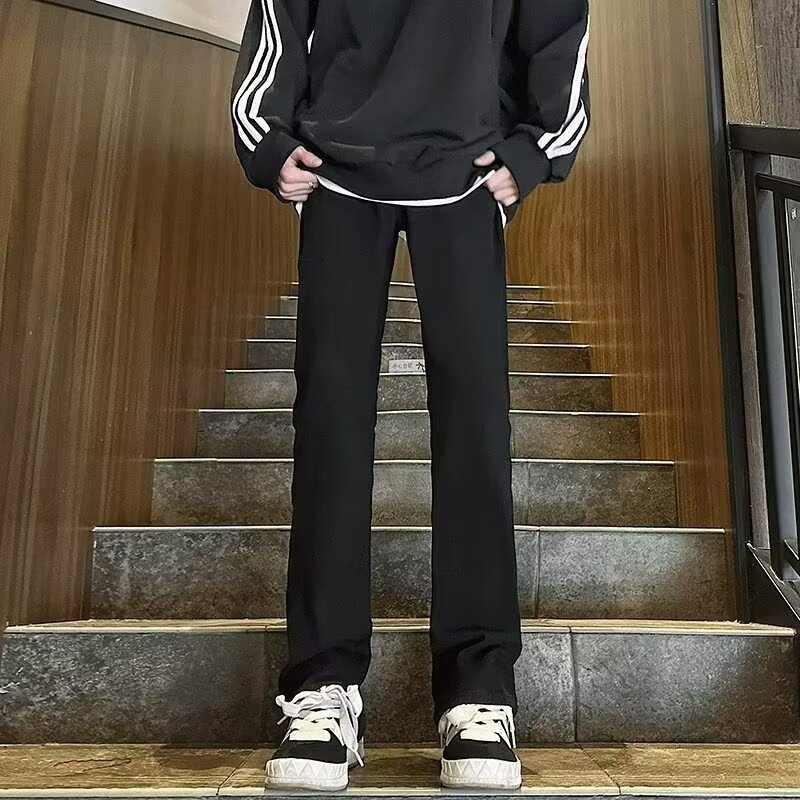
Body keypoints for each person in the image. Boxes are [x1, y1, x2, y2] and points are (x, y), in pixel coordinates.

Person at [231, 0, 590, 791]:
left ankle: (478, 690)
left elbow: (556, 28)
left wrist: (534, 150)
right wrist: (267, 137)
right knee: (330, 425)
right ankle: (322, 685)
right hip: (337, 172)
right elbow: (279, 19)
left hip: (465, 177)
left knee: (476, 429)